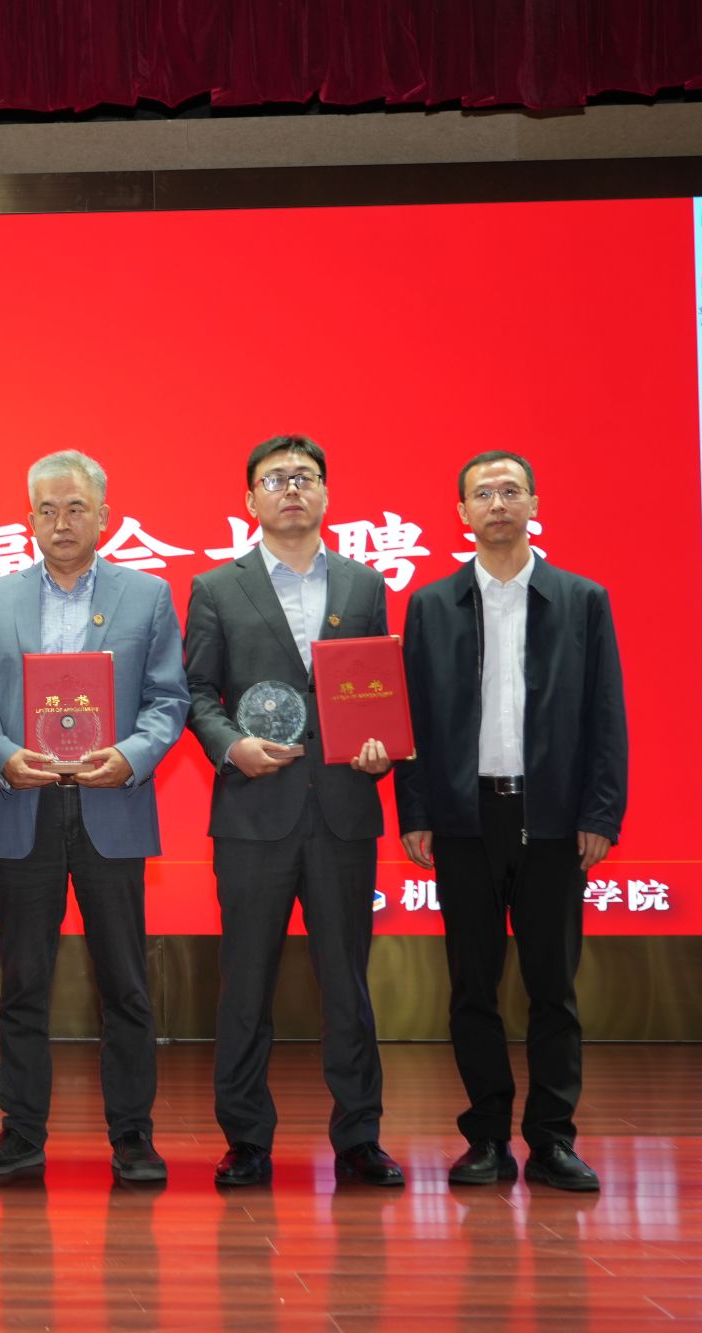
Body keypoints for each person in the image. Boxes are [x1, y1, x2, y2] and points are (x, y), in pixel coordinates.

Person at [395, 451, 627, 1192]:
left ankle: (553, 1138)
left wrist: (600, 811)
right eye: (482, 493)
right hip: (464, 818)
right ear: (461, 512)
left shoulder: (581, 599)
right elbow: (411, 719)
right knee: (473, 986)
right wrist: (416, 810)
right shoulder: (432, 605)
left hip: (553, 818)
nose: (497, 503)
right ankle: (487, 1137)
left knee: (553, 986)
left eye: (510, 490)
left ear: (534, 503)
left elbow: (606, 714)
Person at [0, 449, 189, 1182]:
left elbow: (169, 699)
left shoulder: (147, 595)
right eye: (47, 509)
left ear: (104, 517)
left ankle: (133, 1136)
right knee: (23, 983)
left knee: (125, 983)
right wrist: (1, 756)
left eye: (76, 507)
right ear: (28, 518)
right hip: (23, 805)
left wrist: (131, 754)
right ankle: (21, 1132)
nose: (61, 522)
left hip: (111, 805)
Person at [182, 436, 403, 1189]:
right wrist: (230, 745)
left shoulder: (363, 583)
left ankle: (360, 1137)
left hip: (343, 809)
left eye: (305, 477)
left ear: (326, 493)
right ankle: (246, 1138)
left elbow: (375, 687)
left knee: (348, 983)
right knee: (246, 983)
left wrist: (381, 749)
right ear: (250, 499)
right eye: (275, 479)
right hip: (253, 812)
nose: (291, 490)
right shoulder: (217, 587)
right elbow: (196, 694)